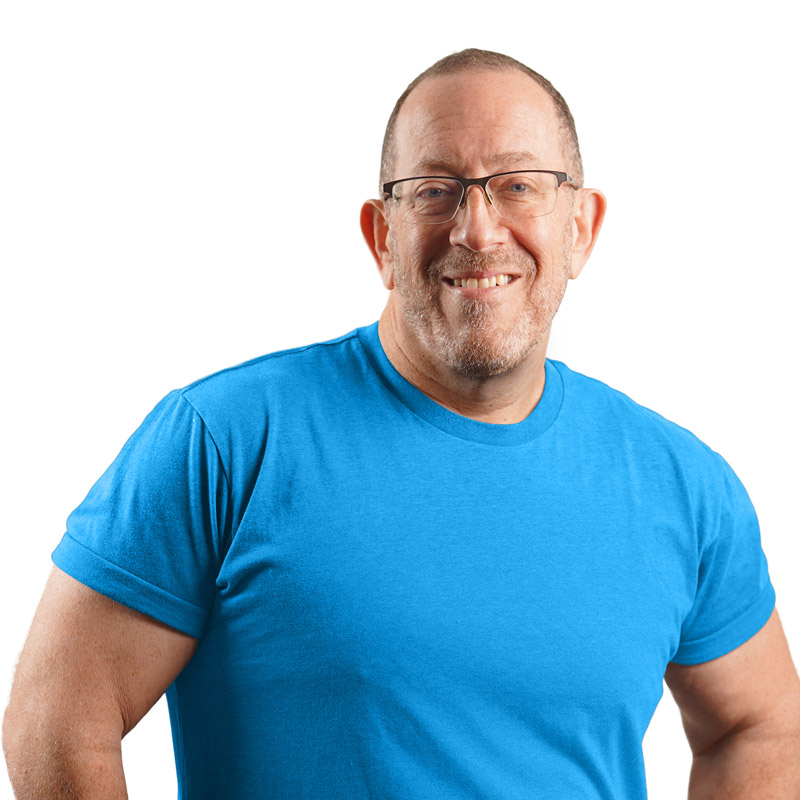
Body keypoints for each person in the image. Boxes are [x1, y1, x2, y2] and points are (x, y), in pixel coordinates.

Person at [4, 48, 800, 799]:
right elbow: (56, 715)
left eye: (518, 185)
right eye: (434, 190)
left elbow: (761, 727)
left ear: (580, 228)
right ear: (382, 237)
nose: (478, 230)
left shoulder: (683, 486)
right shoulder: (228, 442)